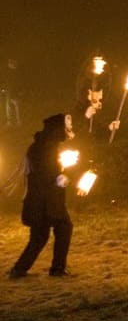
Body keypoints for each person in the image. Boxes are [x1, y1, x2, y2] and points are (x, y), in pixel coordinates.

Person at [9, 114, 76, 278]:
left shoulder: (44, 145)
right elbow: (43, 171)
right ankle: (57, 269)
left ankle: (20, 269)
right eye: (66, 125)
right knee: (62, 227)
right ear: (56, 129)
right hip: (44, 201)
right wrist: (59, 177)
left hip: (44, 201)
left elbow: (48, 168)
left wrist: (60, 173)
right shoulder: (44, 147)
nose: (69, 128)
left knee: (41, 235)